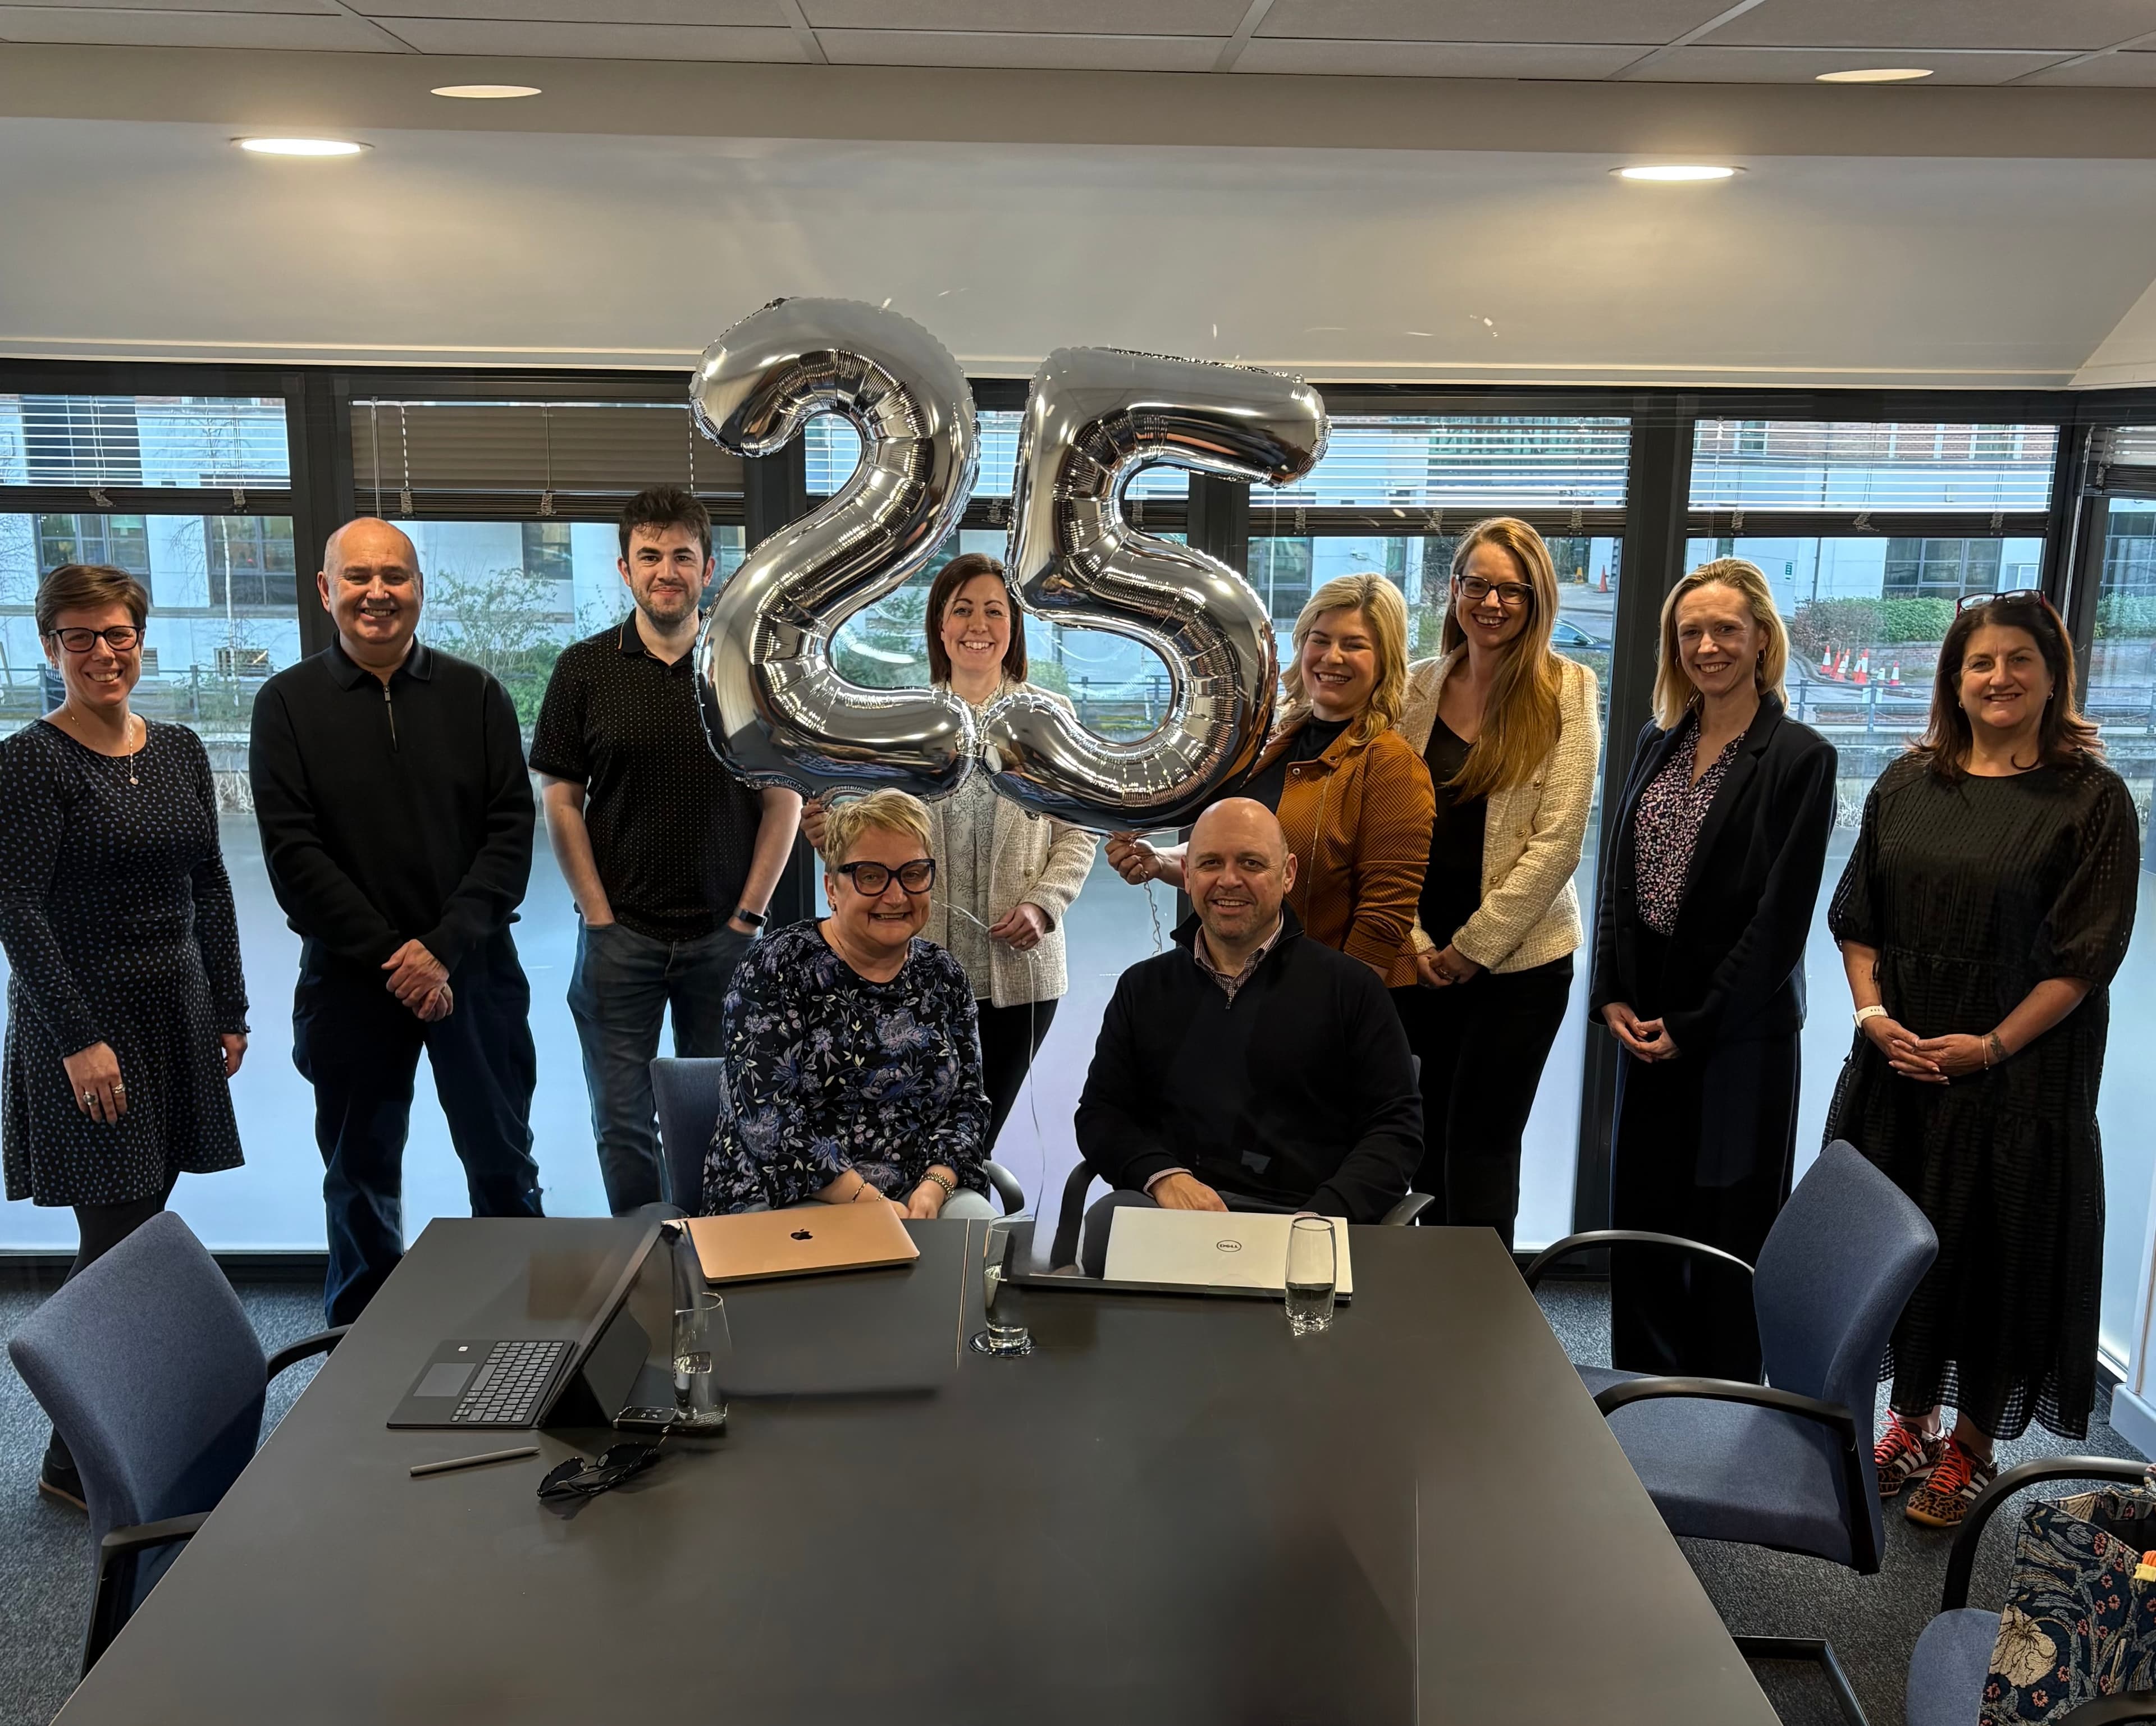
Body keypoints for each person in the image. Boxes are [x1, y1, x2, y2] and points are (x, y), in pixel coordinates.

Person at [1832, 592, 2135, 1530]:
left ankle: (1969, 1445)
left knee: (1994, 1254)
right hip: (1901, 1065)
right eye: (1980, 663)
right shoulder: (1905, 784)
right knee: (1898, 1246)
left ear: (2053, 676)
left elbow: (2087, 959)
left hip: (2020, 1079)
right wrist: (1875, 1016)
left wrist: (1994, 1044)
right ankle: (1908, 1421)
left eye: (2019, 661)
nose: (1998, 678)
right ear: (1953, 680)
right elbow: (1858, 921)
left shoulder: (2091, 799)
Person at [0, 564, 251, 1509]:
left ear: (141, 637)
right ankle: (81, 1457)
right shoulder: (31, 762)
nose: (103, 652)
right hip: (87, 1025)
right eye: (79, 636)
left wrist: (228, 1007)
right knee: (116, 1231)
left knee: (142, 1222)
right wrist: (77, 1040)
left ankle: (124, 1428)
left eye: (118, 633)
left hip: (175, 1011)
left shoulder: (180, 747)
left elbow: (212, 884)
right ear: (50, 646)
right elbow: (17, 910)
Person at [250, 518, 543, 1326]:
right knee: (359, 1175)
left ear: (420, 588)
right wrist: (396, 957)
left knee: (503, 1163)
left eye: (395, 575)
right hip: (349, 981)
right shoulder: (286, 705)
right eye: (357, 576)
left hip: (474, 973)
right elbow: (295, 858)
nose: (377, 591)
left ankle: (536, 1332)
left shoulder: (476, 694)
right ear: (325, 590)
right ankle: (357, 1341)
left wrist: (441, 951)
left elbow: (509, 835)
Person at [1590, 559, 1835, 1381]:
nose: (1708, 645)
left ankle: (1728, 1414)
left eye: (1726, 628)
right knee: (1645, 1223)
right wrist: (1612, 995)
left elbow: (1779, 922)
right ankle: (1643, 1398)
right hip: (1646, 1016)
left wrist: (1695, 1027)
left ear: (1762, 638)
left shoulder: (1801, 756)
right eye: (1691, 631)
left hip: (1737, 1034)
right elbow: (1619, 885)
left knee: (1728, 1228)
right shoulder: (1655, 744)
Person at [532, 487, 803, 1215]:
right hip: (620, 941)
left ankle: (720, 1265)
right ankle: (646, 1266)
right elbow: (561, 800)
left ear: (708, 568)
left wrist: (750, 915)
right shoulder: (583, 671)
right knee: (623, 1125)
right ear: (625, 569)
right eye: (649, 555)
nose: (666, 570)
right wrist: (596, 915)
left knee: (728, 1118)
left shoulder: (747, 672)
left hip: (726, 939)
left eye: (682, 555)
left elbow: (785, 797)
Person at [800, 553, 1094, 1155]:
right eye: (962, 610)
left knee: (975, 1135)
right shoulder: (906, 719)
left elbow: (1078, 832)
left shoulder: (1050, 718)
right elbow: (871, 831)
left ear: (1014, 625)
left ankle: (964, 1237)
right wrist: (831, 834)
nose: (978, 624)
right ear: (940, 625)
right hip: (919, 968)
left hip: (1022, 970)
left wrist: (1044, 904)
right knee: (919, 1123)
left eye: (994, 610)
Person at [1071, 798, 1422, 1274]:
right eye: (1211, 863)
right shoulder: (1143, 988)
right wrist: (1164, 1177)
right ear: (1188, 874)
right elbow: (1101, 1113)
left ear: (1289, 873)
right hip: (1176, 1215)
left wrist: (1322, 1218)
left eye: (1251, 863)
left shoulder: (1351, 988)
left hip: (1305, 1220)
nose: (1229, 880)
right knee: (1107, 1242)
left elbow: (1395, 1130)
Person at [1391, 518, 1600, 1249]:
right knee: (1417, 1139)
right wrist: (1417, 942)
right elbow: (1386, 821)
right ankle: (1418, 1317)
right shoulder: (1417, 685)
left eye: (1511, 589)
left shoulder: (1569, 688)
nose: (1492, 602)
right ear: (1453, 591)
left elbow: (1559, 840)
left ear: (1536, 598)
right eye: (1476, 584)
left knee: (1481, 1145)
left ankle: (1485, 1332)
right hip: (1415, 959)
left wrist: (1472, 948)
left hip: (1520, 965)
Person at [1106, 573, 1433, 981]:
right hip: (1244, 979)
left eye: (1354, 645)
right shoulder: (1276, 741)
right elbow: (1241, 860)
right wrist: (1161, 860)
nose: (1332, 657)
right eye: (1321, 639)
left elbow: (1382, 920)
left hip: (1321, 995)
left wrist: (1337, 1009)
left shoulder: (1391, 766)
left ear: (1385, 660)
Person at [701, 788, 996, 1220]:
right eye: (871, 876)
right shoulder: (776, 967)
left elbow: (968, 1105)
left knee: (978, 1236)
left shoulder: (945, 976)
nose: (896, 897)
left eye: (913, 873)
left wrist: (935, 1186)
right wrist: (871, 1205)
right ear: (832, 888)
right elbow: (768, 1122)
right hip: (788, 1194)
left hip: (918, 1199)